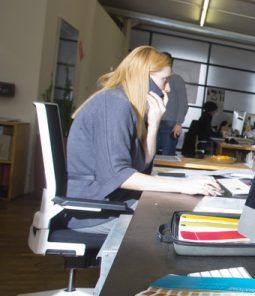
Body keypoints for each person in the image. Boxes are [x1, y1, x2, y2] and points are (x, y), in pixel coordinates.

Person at [66, 46, 221, 233]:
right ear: (144, 78)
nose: (168, 88)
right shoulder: (114, 103)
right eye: (165, 80)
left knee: (180, 217)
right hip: (96, 213)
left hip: (115, 202)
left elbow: (143, 164)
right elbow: (119, 175)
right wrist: (183, 186)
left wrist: (154, 123)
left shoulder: (127, 105)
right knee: (176, 229)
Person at [155, 52, 188, 156]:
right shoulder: (156, 79)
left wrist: (178, 123)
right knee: (150, 155)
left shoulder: (176, 79)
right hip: (156, 120)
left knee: (167, 155)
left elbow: (183, 103)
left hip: (170, 123)